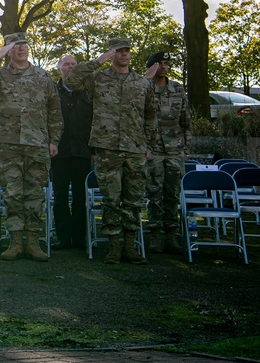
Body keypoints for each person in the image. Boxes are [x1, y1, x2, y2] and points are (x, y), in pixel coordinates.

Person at [66, 36, 156, 265]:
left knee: (133, 200)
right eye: (119, 50)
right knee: (111, 199)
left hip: (135, 148)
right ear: (111, 53)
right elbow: (71, 79)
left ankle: (130, 246)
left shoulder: (142, 83)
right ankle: (113, 247)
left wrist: (149, 145)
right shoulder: (98, 79)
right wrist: (97, 62)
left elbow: (150, 115)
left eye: (127, 50)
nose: (124, 54)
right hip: (107, 149)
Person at [0, 32, 62, 262]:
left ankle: (33, 243)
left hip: (37, 143)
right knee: (13, 194)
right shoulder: (0, 75)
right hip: (8, 144)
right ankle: (14, 242)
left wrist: (54, 140)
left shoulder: (43, 77)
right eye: (15, 46)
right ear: (8, 50)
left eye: (24, 44)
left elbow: (54, 111)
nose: (21, 49)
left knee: (35, 194)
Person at [143, 51, 191, 254]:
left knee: (172, 192)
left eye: (166, 64)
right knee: (154, 193)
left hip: (174, 149)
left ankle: (171, 234)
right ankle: (154, 235)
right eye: (160, 63)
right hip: (153, 149)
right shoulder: (144, 88)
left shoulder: (177, 89)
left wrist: (186, 148)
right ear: (152, 66)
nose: (164, 67)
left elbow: (186, 121)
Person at [53, 55, 93, 250]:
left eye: (73, 64)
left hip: (82, 152)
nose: (70, 67)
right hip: (58, 152)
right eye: (66, 64)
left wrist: (92, 150)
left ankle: (79, 237)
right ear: (59, 69)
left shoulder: (87, 92)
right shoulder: (52, 91)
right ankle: (63, 236)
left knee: (80, 197)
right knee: (60, 196)